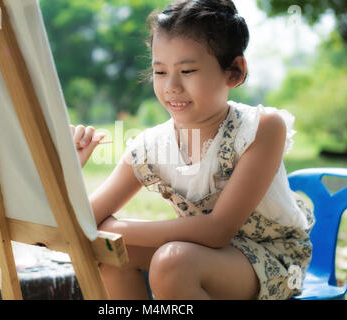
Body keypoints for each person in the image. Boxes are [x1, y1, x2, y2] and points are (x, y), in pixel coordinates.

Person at [71, 0, 315, 300]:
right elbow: (81, 223)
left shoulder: (261, 128)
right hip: (202, 255)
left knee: (173, 263)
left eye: (187, 70)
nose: (171, 86)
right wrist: (67, 171)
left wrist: (115, 227)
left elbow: (217, 230)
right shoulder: (151, 145)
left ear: (234, 72)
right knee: (110, 252)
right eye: (160, 72)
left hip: (272, 260)